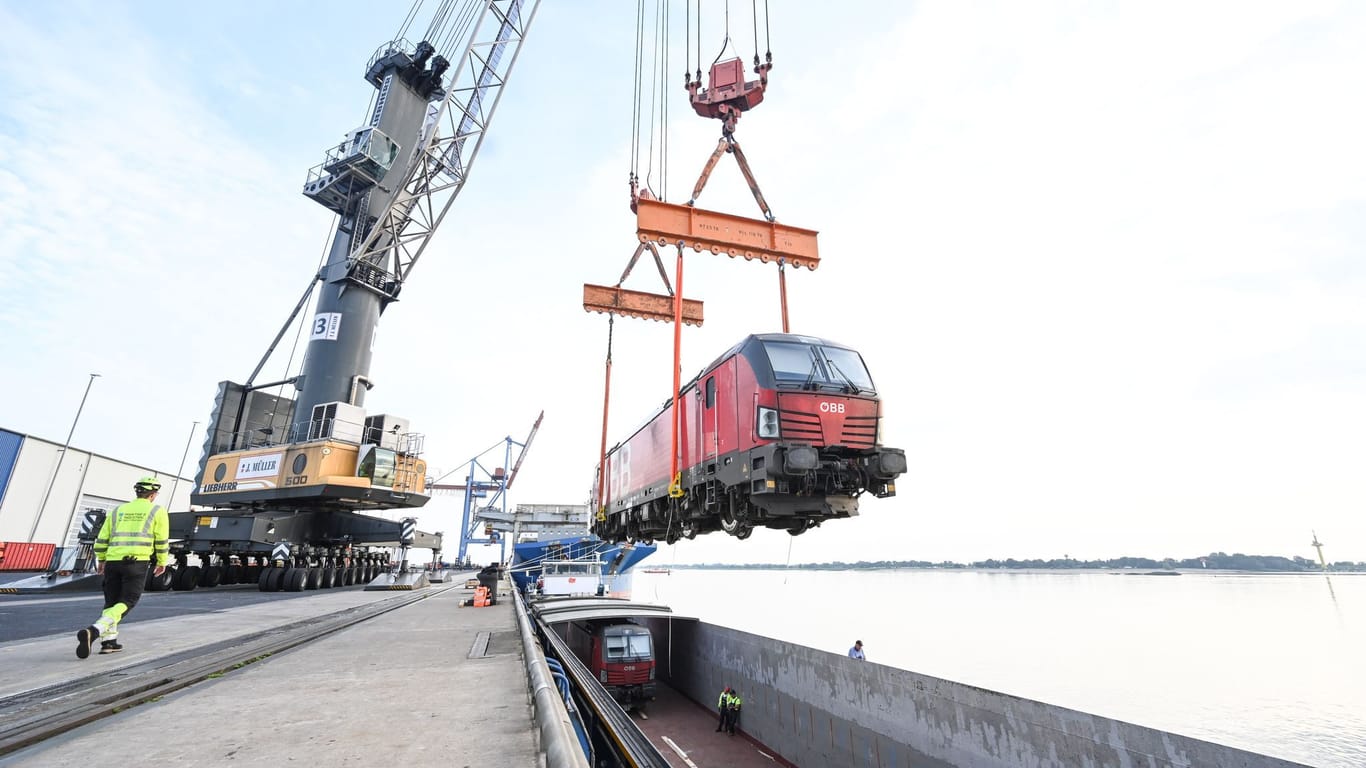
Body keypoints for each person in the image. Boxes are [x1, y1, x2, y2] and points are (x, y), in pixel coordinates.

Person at [77, 476, 169, 659]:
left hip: (112, 561)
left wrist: (101, 559)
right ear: (153, 495)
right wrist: (161, 561)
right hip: (136, 562)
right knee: (128, 600)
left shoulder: (119, 510)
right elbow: (161, 539)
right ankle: (94, 631)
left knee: (111, 601)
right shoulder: (157, 511)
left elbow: (103, 536)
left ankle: (109, 642)